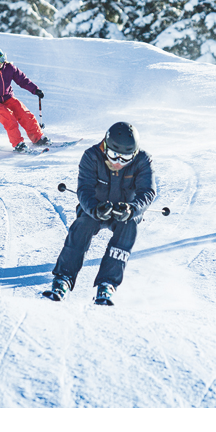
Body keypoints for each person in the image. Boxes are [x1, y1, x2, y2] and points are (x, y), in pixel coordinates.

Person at [45, 121, 155, 306]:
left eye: (125, 158)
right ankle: (63, 278)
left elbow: (147, 192)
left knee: (128, 228)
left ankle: (107, 283)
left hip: (124, 212)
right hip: (96, 208)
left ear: (134, 154)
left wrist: (132, 210)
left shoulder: (143, 160)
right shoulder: (91, 156)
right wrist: (94, 208)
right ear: (105, 146)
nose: (118, 162)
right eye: (113, 155)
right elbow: (84, 190)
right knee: (82, 225)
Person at [0, 47, 47, 153]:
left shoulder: (9, 68)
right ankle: (18, 144)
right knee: (9, 119)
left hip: (8, 97)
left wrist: (35, 90)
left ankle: (38, 138)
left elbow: (22, 80)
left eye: (1, 59)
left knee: (25, 114)